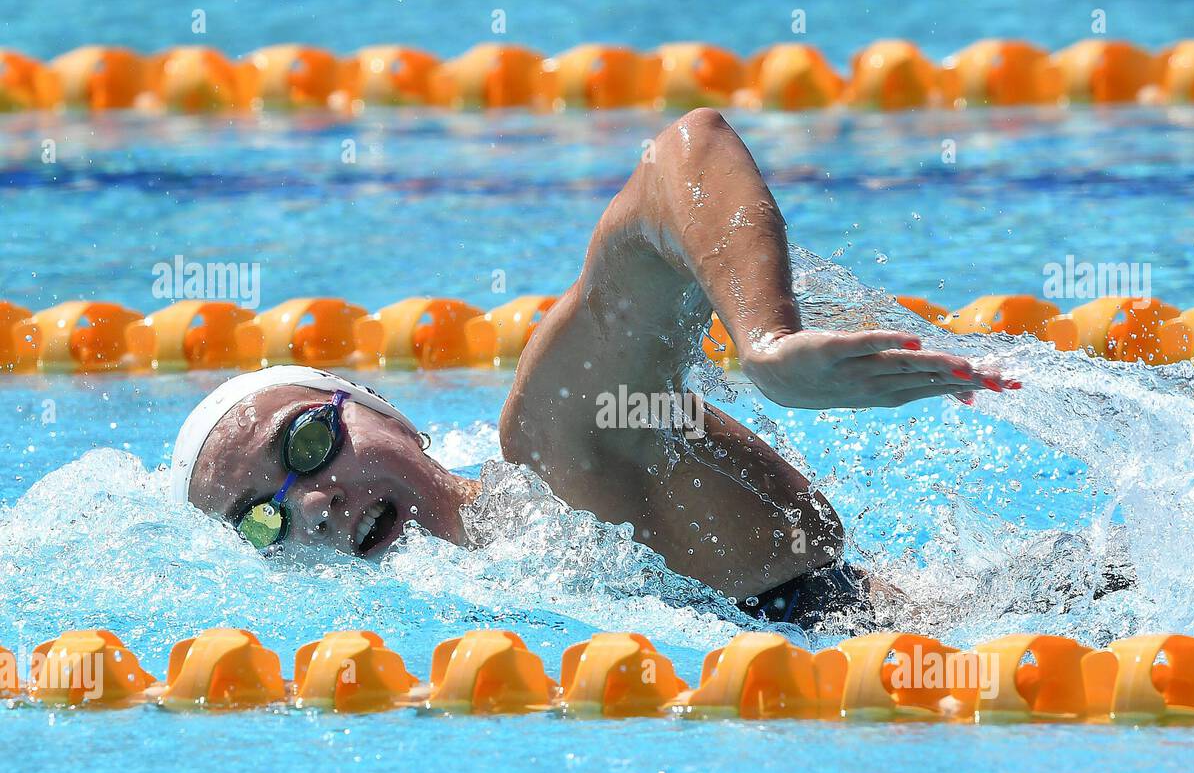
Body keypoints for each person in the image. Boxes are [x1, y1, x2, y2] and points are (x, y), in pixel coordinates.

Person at [170, 108, 1017, 627]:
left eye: (310, 445)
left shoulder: (553, 451)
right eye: (261, 521)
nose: (311, 506)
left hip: (1010, 631)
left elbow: (683, 157)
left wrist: (767, 346)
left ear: (381, 409)